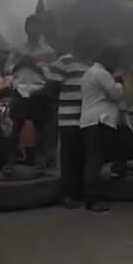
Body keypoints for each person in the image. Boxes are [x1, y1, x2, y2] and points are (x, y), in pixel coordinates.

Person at [46, 29, 95, 209]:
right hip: (67, 118)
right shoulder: (64, 61)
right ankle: (66, 195)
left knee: (81, 157)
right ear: (78, 43)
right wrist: (58, 106)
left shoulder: (90, 66)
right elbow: (51, 86)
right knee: (68, 158)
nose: (89, 47)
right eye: (87, 43)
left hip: (85, 119)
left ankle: (78, 193)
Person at [4, 15, 56, 175]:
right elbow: (7, 69)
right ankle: (10, 162)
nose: (33, 30)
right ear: (26, 29)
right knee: (15, 129)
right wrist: (21, 63)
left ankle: (39, 163)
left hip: (38, 92)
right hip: (20, 90)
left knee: (40, 129)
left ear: (41, 30)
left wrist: (35, 66)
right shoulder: (17, 49)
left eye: (37, 27)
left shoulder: (49, 52)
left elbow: (52, 74)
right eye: (30, 27)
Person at [79, 44, 126, 212]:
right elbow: (116, 94)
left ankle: (117, 170)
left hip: (90, 122)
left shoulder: (89, 73)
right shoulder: (102, 74)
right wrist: (119, 82)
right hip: (100, 121)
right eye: (115, 60)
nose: (116, 64)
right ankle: (92, 199)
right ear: (108, 59)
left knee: (96, 158)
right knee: (95, 160)